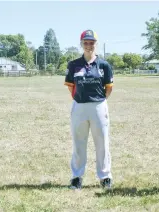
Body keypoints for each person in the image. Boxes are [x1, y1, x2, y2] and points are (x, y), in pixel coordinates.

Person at [64, 30, 114, 190]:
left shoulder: (104, 65)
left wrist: (98, 101)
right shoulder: (73, 65)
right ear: (81, 44)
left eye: (91, 42)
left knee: (102, 143)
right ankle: (77, 177)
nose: (88, 45)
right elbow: (71, 88)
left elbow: (108, 88)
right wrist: (81, 100)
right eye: (85, 42)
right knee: (79, 142)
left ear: (95, 44)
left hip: (98, 106)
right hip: (79, 106)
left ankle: (105, 176)